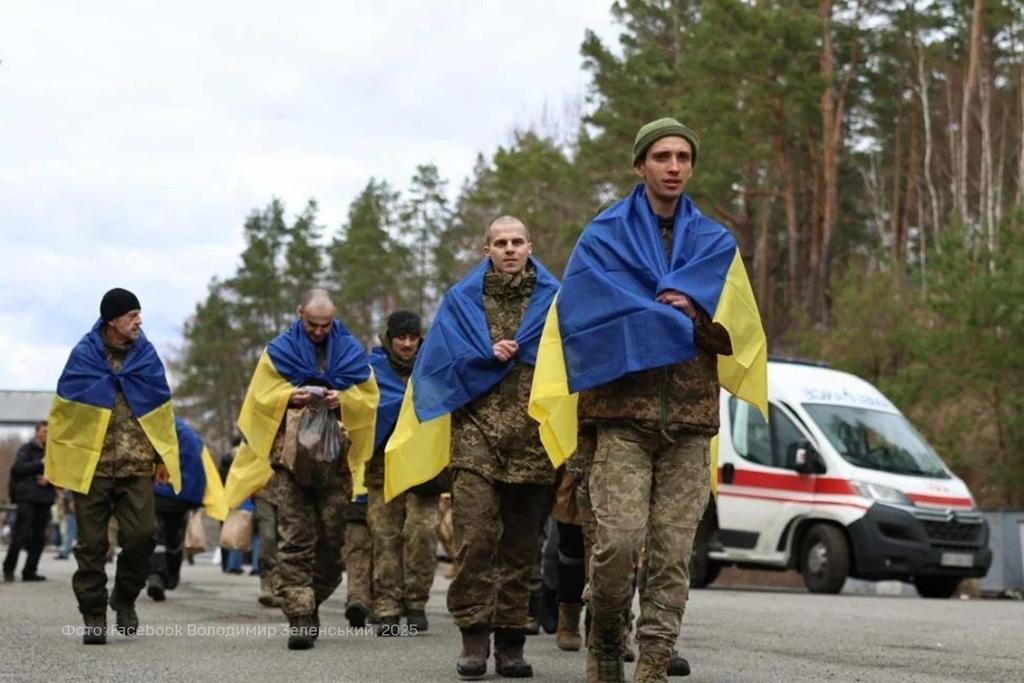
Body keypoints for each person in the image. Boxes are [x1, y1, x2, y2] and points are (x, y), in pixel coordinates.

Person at [529, 118, 768, 682]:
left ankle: (655, 664)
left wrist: (697, 312)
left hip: (689, 421)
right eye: (662, 156)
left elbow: (735, 334)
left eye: (684, 156)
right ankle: (607, 641)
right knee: (614, 546)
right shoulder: (604, 236)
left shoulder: (714, 243)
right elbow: (581, 322)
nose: (674, 166)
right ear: (641, 165)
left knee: (671, 556)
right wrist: (656, 310)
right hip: (619, 419)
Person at [386, 216, 560, 678]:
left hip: (532, 441)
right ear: (487, 249)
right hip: (474, 439)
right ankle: (473, 637)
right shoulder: (463, 301)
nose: (509, 249)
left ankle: (511, 643)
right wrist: (484, 354)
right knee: (475, 540)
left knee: (521, 549)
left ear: (530, 245)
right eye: (500, 243)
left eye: (517, 242)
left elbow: (572, 356)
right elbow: (437, 364)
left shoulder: (555, 300)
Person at [224, 288, 378, 650]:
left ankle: (311, 598)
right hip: (290, 460)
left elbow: (369, 397)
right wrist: (287, 397)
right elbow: (258, 398)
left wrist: (346, 399)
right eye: (312, 324)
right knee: (295, 540)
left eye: (325, 325)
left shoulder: (351, 350)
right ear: (299, 314)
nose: (319, 332)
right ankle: (300, 616)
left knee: (331, 540)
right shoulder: (279, 351)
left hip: (335, 463)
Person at [44, 288, 182, 645]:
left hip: (137, 465)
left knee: (142, 537)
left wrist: (163, 456)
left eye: (139, 314)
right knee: (90, 545)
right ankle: (93, 614)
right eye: (132, 315)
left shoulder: (147, 356)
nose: (139, 321)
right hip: (92, 466)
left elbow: (161, 409)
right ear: (112, 321)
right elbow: (65, 414)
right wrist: (60, 463)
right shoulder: (84, 357)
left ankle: (124, 598)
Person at [364, 310, 440, 636]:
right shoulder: (371, 370)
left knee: (423, 533)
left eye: (412, 337)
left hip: (424, 464)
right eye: (401, 338)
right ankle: (386, 605)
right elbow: (362, 407)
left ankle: (416, 601)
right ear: (389, 338)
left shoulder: (434, 365)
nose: (407, 344)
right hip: (382, 465)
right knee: (384, 535)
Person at [147, 418, 227, 601]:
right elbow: (198, 468)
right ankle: (171, 575)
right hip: (181, 497)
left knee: (157, 534)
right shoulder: (190, 436)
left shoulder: (153, 429)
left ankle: (156, 575)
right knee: (174, 536)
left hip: (158, 492)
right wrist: (195, 500)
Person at [3, 421, 55, 582]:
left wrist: (49, 480)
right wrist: (40, 464)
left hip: (44, 499)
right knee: (21, 534)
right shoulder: (27, 449)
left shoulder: (54, 452)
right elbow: (18, 469)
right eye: (44, 431)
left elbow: (62, 475)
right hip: (27, 498)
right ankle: (9, 569)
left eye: (49, 431)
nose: (47, 434)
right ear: (37, 432)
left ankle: (30, 571)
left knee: (39, 537)